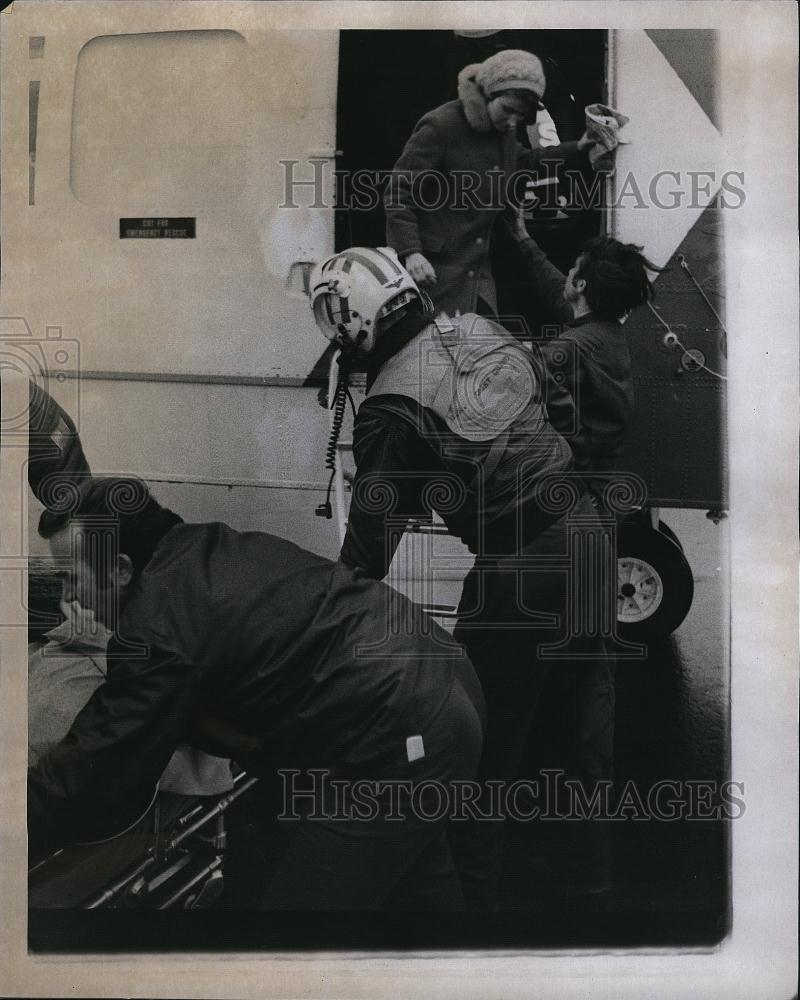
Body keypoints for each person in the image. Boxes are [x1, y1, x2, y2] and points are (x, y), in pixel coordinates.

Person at [308, 246, 616, 909]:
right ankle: (587, 887)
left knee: (484, 750)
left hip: (521, 566)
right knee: (578, 728)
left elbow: (369, 547)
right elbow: (561, 413)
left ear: (352, 317)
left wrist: (314, 629)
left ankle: (473, 918)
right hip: (589, 532)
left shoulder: (389, 403)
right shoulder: (477, 325)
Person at [27, 477, 485, 910]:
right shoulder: (197, 547)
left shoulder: (159, 628)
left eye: (71, 578)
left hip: (398, 731)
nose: (70, 598)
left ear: (121, 569)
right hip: (442, 677)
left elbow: (98, 762)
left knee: (296, 933)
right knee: (423, 889)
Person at [384, 48, 605, 318]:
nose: (513, 121)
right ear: (487, 93)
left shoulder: (504, 130)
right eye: (507, 110)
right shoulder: (440, 125)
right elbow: (399, 193)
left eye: (521, 115)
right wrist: (411, 253)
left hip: (478, 275)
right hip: (433, 272)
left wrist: (578, 148)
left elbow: (523, 161)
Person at [508, 208, 662, 496]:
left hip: (576, 494)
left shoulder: (575, 346)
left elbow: (517, 372)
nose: (566, 272)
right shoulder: (606, 330)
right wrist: (523, 238)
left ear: (580, 284)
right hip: (595, 488)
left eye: (573, 269)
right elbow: (557, 288)